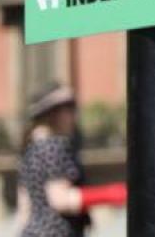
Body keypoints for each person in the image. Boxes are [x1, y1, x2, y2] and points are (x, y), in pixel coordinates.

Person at [16, 84, 126, 237]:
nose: (74, 114)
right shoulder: (54, 146)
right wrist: (111, 194)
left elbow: (24, 205)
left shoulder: (32, 148)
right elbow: (60, 199)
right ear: (53, 113)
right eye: (69, 107)